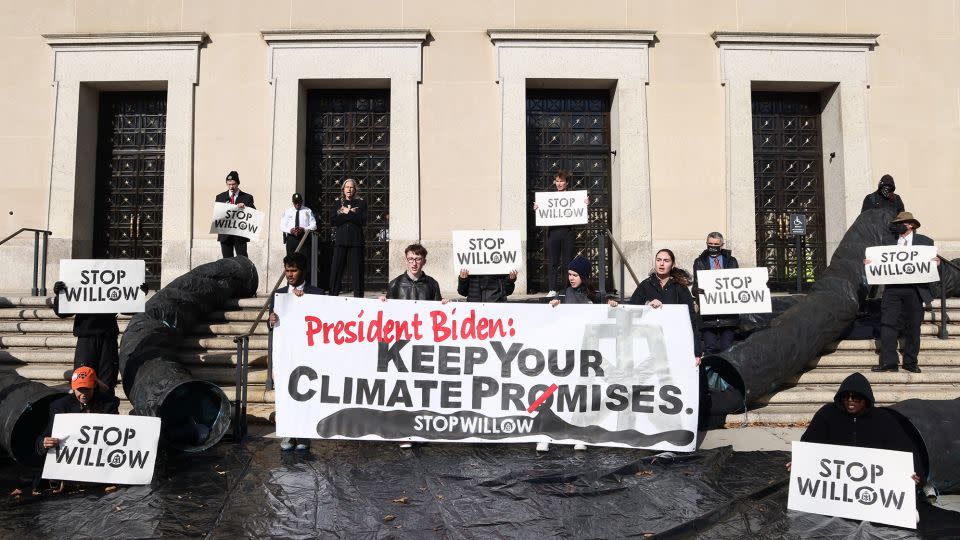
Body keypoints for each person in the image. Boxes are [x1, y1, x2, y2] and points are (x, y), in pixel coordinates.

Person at [540, 256, 617, 453]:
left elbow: (610, 312)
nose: (571, 278)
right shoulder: (563, 296)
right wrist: (553, 305)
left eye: (575, 275)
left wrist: (612, 305)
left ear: (584, 276)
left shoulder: (596, 296)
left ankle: (580, 434)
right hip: (565, 352)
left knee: (582, 394)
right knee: (559, 392)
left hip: (587, 354)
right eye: (569, 274)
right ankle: (547, 435)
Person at [792, 372, 922, 486]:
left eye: (856, 397)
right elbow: (810, 442)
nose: (850, 400)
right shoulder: (827, 414)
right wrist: (800, 461)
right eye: (846, 396)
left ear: (866, 399)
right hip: (835, 482)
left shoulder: (883, 419)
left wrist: (913, 471)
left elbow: (904, 448)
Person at [381, 243, 445, 448]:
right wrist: (382, 304)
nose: (414, 263)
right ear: (405, 260)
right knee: (402, 388)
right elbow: (388, 316)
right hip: (401, 344)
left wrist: (445, 307)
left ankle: (419, 427)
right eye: (410, 259)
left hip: (423, 344)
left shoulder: (432, 284)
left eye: (418, 259)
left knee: (422, 387)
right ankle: (403, 431)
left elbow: (437, 313)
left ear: (424, 261)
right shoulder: (395, 284)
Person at [865, 212, 938, 373]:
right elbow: (880, 262)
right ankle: (888, 362)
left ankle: (910, 361)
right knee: (887, 324)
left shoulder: (925, 242)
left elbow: (932, 265)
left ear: (910, 225)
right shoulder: (888, 242)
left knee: (913, 326)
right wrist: (871, 262)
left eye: (901, 223)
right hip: (892, 290)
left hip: (915, 290)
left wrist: (935, 263)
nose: (897, 225)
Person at [51, 280, 147, 395]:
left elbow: (128, 309)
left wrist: (139, 295)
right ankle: (84, 411)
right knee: (83, 380)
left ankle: (106, 410)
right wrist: (60, 296)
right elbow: (62, 313)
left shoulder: (113, 282)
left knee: (107, 380)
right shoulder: (79, 281)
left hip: (107, 337)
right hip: (86, 338)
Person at [269, 252, 324, 452]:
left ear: (302, 271)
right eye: (287, 271)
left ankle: (303, 434)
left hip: (308, 353)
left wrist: (304, 300)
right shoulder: (279, 295)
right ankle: (288, 432)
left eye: (293, 270)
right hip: (286, 354)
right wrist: (271, 320)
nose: (290, 275)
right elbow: (272, 323)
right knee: (286, 392)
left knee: (305, 392)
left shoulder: (316, 293)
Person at [628, 249, 702, 359]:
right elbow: (630, 311)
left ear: (672, 264)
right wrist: (647, 306)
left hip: (675, 342)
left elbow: (691, 319)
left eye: (666, 261)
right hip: (650, 343)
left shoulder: (680, 287)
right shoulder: (645, 285)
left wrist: (697, 352)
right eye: (658, 260)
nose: (661, 264)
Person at [37, 367, 120, 457]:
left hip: (100, 456)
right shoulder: (60, 406)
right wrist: (44, 443)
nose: (83, 394)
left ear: (94, 386)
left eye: (87, 389)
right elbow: (46, 436)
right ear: (73, 388)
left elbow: (116, 433)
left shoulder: (108, 404)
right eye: (80, 389)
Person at [533, 170, 587, 297]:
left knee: (568, 262)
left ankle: (567, 289)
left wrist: (585, 204)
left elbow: (579, 209)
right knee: (553, 262)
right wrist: (537, 208)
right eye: (557, 181)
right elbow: (543, 212)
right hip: (553, 233)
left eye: (562, 181)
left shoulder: (573, 197)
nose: (559, 183)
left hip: (568, 233)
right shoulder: (549, 198)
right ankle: (552, 289)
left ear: (566, 183)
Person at [692, 232, 740, 354]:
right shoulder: (699, 262)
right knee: (709, 348)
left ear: (722, 245)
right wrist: (697, 292)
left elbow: (738, 282)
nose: (713, 246)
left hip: (728, 315)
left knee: (727, 349)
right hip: (708, 317)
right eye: (710, 244)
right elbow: (695, 285)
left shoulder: (731, 261)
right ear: (706, 244)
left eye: (716, 244)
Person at [329, 178, 367, 298]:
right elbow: (334, 221)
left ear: (355, 189)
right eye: (347, 187)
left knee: (357, 272)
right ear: (343, 189)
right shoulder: (337, 203)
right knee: (336, 270)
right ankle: (333, 295)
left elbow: (361, 221)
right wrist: (350, 213)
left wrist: (347, 212)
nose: (349, 189)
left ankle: (358, 298)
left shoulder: (361, 203)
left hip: (356, 241)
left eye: (351, 187)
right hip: (341, 241)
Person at [215, 170, 256, 258]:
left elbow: (253, 213)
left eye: (233, 184)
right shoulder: (220, 197)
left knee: (242, 259)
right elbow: (217, 215)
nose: (231, 187)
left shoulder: (247, 197)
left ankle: (245, 272)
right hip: (225, 235)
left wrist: (245, 208)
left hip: (240, 234)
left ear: (238, 184)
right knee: (227, 261)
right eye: (229, 184)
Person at [280, 192, 317, 257]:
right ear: (293, 202)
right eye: (295, 202)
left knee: (303, 260)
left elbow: (314, 225)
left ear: (302, 201)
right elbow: (282, 226)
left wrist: (304, 229)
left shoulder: (307, 211)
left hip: (304, 238)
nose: (297, 204)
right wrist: (290, 230)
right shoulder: (288, 211)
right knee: (291, 260)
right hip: (291, 239)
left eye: (299, 202)